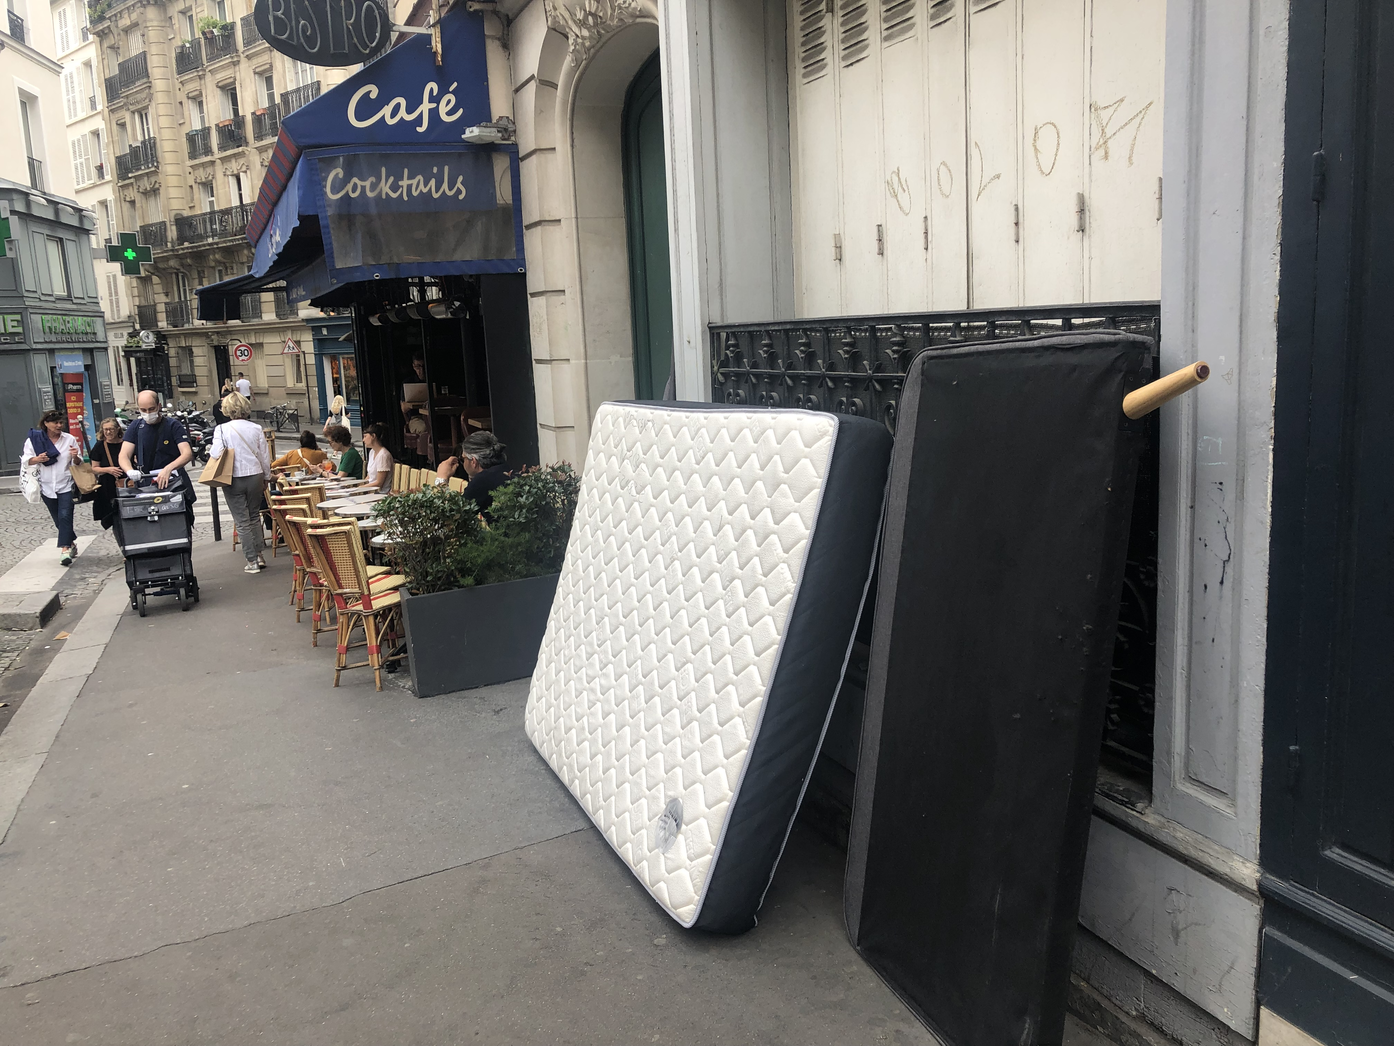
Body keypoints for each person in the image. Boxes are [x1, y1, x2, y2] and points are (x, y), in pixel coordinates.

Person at [209, 393, 272, 574]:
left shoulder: (222, 429)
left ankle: (251, 560)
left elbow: (216, 453)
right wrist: (266, 477)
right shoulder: (256, 428)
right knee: (254, 516)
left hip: (233, 476)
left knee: (242, 520)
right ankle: (259, 554)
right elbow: (264, 456)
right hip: (255, 474)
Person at [119, 389, 196, 531]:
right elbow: (123, 455)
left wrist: (169, 468)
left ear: (159, 406)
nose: (148, 413)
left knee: (178, 523)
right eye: (143, 410)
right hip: (146, 483)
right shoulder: (136, 427)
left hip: (172, 481)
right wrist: (129, 470)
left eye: (151, 409)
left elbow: (186, 453)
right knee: (149, 525)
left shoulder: (172, 425)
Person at [22, 410, 82, 565]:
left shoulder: (69, 439)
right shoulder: (34, 440)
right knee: (58, 519)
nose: (59, 425)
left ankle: (65, 550)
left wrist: (75, 456)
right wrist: (37, 459)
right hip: (46, 485)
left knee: (65, 515)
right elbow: (26, 460)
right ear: (46, 424)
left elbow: (78, 462)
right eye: (56, 423)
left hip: (65, 484)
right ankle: (71, 543)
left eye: (61, 422)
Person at [434, 431, 511, 523]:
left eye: (463, 459)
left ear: (473, 461)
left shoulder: (482, 481)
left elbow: (454, 518)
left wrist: (441, 479)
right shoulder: (507, 470)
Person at [89, 417, 129, 530]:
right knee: (113, 517)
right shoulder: (100, 446)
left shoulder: (126, 444)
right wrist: (108, 470)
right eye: (105, 429)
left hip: (127, 483)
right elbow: (94, 468)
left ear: (117, 429)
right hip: (108, 485)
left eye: (111, 429)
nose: (108, 432)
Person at [362, 423, 394, 492]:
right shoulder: (372, 452)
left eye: (365, 436)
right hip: (370, 491)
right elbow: (369, 476)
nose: (363, 440)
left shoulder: (383, 455)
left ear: (373, 436)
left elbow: (379, 483)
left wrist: (360, 488)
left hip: (381, 493)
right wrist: (361, 485)